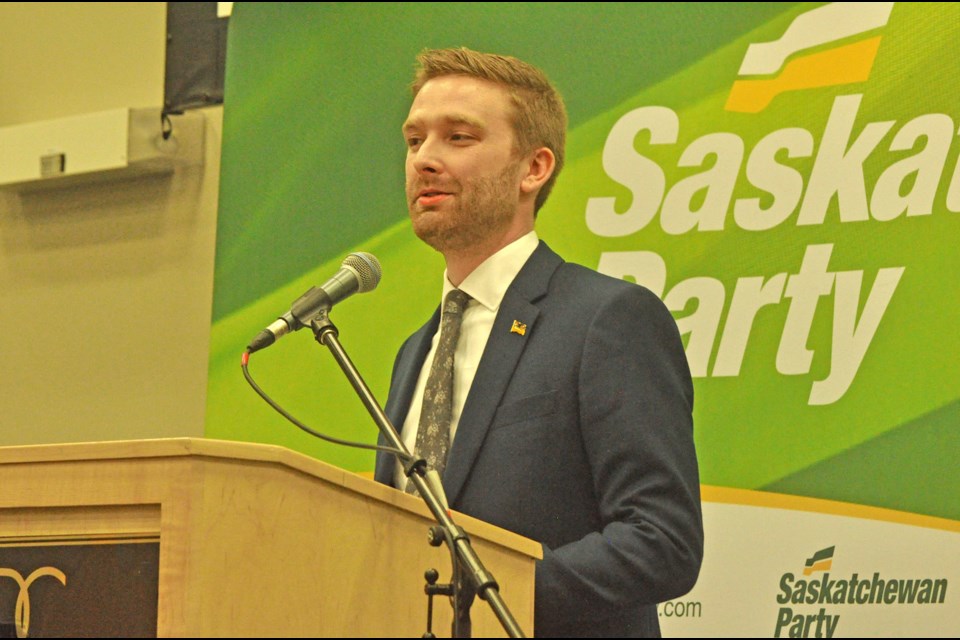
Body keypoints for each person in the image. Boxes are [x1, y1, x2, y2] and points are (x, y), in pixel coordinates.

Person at [373, 47, 703, 638]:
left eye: (459, 137)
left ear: (534, 168)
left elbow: (663, 540)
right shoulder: (413, 354)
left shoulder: (607, 320)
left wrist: (487, 591)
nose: (424, 160)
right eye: (414, 139)